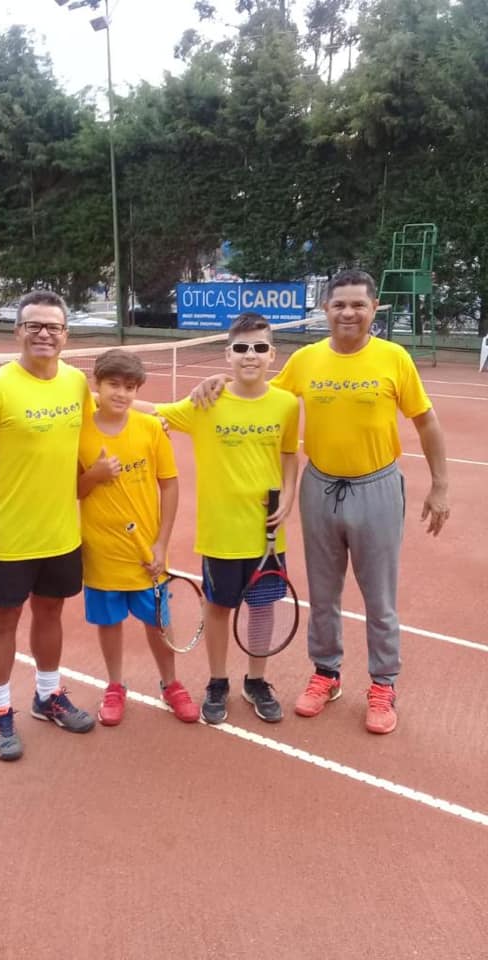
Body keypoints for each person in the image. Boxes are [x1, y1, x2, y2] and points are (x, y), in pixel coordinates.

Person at [192, 269, 450, 735]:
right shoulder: (306, 360)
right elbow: (258, 387)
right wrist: (218, 379)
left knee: (380, 597)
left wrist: (440, 486)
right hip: (320, 486)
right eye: (339, 304)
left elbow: (426, 421)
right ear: (326, 309)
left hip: (377, 487)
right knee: (324, 594)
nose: (348, 312)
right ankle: (326, 674)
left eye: (358, 304)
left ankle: (382, 684)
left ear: (374, 309)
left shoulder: (394, 358)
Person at [0, 289, 96, 762]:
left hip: (60, 533)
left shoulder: (76, 382)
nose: (44, 334)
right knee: (4, 620)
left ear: (66, 335)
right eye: (34, 325)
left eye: (53, 326)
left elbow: (106, 421)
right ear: (18, 332)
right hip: (7, 536)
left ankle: (48, 696)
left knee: (51, 613)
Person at [138, 313, 300, 726]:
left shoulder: (285, 404)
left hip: (266, 533)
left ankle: (256, 681)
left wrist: (290, 493)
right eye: (242, 348)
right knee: (218, 608)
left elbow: (288, 455)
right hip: (220, 532)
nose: (251, 355)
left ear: (273, 354)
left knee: (261, 608)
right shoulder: (204, 403)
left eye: (259, 348)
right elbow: (149, 409)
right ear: (228, 354)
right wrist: (99, 396)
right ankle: (217, 681)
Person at [77, 349, 199, 726]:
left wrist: (162, 543)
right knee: (109, 623)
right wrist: (95, 475)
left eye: (130, 387)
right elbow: (73, 491)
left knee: (157, 622)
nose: (122, 393)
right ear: (97, 385)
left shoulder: (150, 428)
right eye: (113, 384)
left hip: (147, 553)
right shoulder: (78, 431)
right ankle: (115, 685)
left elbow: (170, 485)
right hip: (101, 551)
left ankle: (171, 684)